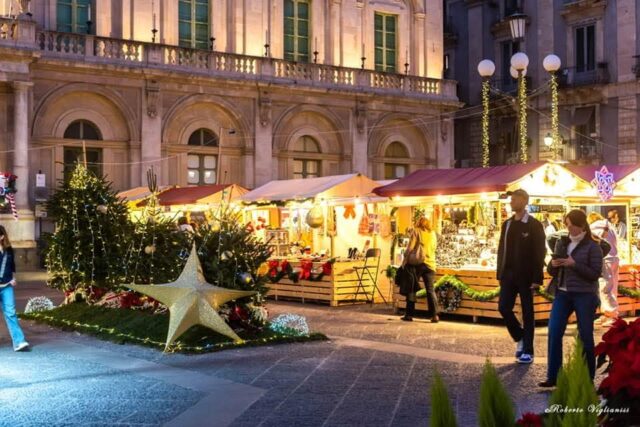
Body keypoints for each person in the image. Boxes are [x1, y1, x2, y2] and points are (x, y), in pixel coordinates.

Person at [539, 210, 603, 388]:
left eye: (570, 225)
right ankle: (553, 376)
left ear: (581, 225)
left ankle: (588, 376)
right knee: (554, 330)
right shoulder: (562, 242)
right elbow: (553, 271)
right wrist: (553, 265)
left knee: (585, 335)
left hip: (585, 294)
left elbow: (594, 274)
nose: (567, 228)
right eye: (566, 225)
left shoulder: (593, 246)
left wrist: (574, 264)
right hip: (563, 293)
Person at [496, 189, 546, 364]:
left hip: (526, 276)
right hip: (508, 275)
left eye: (515, 199)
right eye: (511, 199)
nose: (511, 202)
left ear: (525, 201)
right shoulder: (507, 224)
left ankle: (528, 350)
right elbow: (501, 249)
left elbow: (540, 252)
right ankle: (520, 336)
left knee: (528, 312)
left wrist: (537, 278)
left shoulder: (534, 225)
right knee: (503, 307)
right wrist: (500, 273)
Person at [402, 216, 440, 323]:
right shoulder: (433, 234)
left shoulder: (416, 231)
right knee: (430, 290)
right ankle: (434, 315)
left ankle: (409, 314)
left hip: (417, 263)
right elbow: (434, 247)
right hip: (431, 264)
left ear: (418, 223)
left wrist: (405, 258)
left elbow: (410, 247)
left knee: (412, 287)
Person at [0, 225, 30, 352]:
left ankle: (19, 342)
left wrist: (12, 278)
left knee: (11, 313)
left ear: (1, 236)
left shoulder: (9, 250)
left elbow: (11, 267)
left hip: (6, 286)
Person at [588, 212, 619, 327]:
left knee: (605, 288)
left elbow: (593, 244)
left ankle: (611, 315)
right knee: (612, 287)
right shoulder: (609, 226)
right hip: (614, 258)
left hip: (605, 259)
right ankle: (608, 314)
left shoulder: (593, 227)